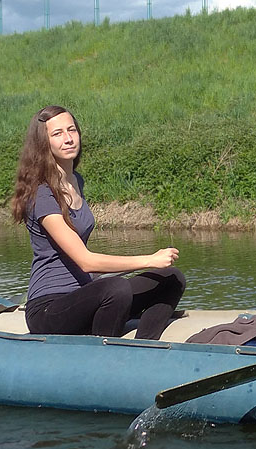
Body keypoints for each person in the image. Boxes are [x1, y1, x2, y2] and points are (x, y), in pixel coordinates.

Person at [11, 105, 186, 340]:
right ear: (44, 143)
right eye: (57, 133)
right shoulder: (43, 194)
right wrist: (149, 260)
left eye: (72, 130)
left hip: (86, 295)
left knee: (171, 278)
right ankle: (103, 351)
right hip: (48, 308)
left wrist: (150, 267)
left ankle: (145, 346)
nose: (68, 138)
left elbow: (88, 270)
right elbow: (86, 262)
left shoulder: (76, 181)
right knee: (116, 288)